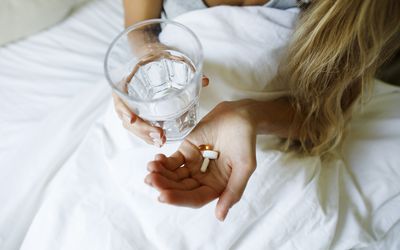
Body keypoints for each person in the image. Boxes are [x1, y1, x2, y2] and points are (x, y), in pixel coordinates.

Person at [113, 0, 400, 221]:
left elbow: (325, 119)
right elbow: (140, 31)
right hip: (161, 125)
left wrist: (249, 114)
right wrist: (150, 60)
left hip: (275, 141)